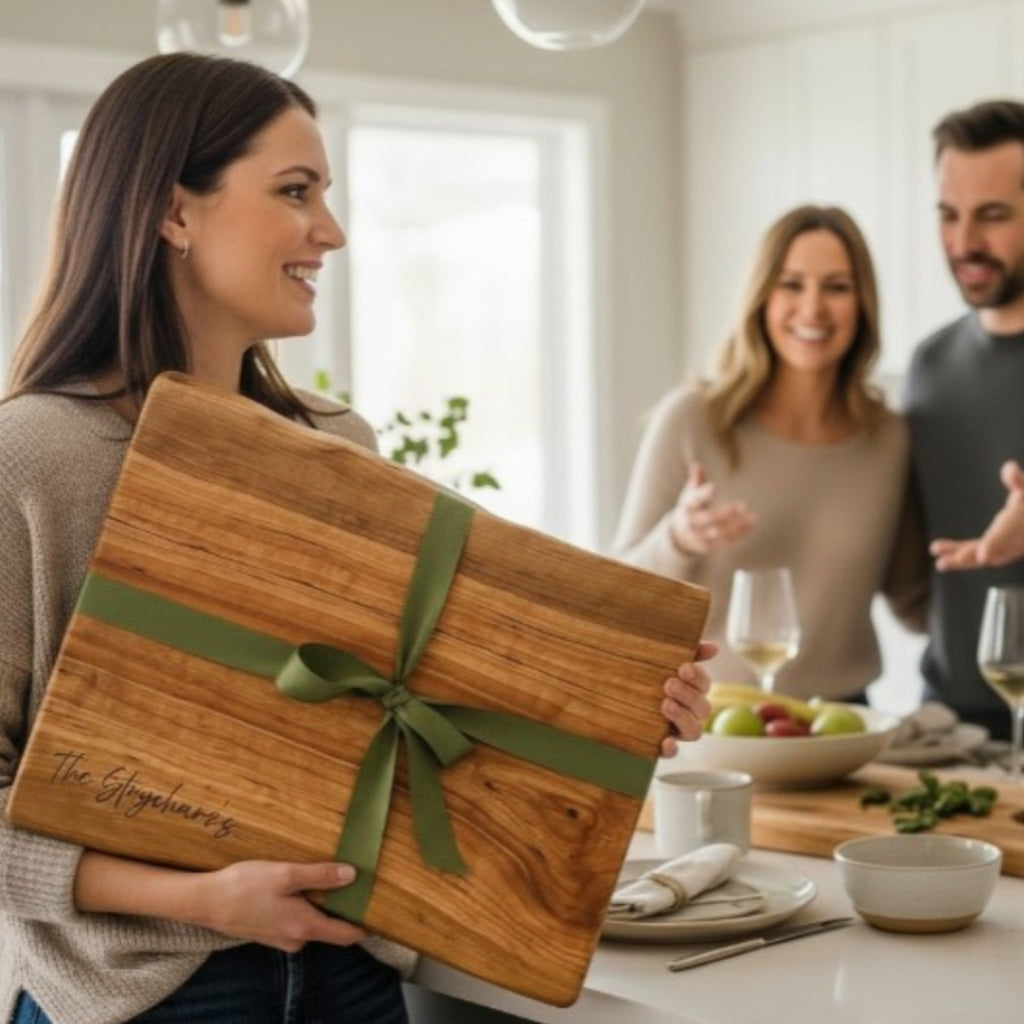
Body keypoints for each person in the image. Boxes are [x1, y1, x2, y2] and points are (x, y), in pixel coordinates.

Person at [0, 54, 713, 1024]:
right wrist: (201, 898)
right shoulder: (32, 459)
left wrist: (620, 714)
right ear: (175, 213)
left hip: (353, 981)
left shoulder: (342, 448)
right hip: (145, 996)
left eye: (324, 195)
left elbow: (425, 713)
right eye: (295, 192)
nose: (329, 232)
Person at [613, 204, 927, 702]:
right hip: (711, 723)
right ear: (761, 296)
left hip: (842, 728)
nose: (813, 309)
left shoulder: (889, 440)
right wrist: (679, 537)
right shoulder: (693, 420)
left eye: (837, 287)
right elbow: (621, 596)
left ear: (863, 303)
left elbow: (918, 602)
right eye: (791, 284)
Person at [903, 99, 1024, 739]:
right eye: (949, 215)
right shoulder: (929, 364)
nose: (964, 242)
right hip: (947, 726)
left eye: (993, 216)